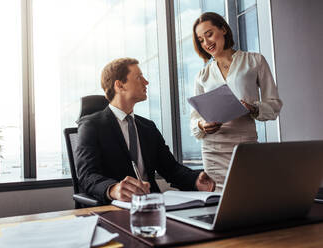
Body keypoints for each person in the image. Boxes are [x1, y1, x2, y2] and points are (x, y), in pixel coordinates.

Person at [75, 58, 216, 204]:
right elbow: (87, 175)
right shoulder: (91, 126)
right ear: (120, 85)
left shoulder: (147, 127)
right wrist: (113, 189)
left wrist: (195, 180)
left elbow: (171, 169)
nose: (146, 82)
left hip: (152, 205)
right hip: (115, 208)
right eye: (139, 77)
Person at [190, 12, 283, 192]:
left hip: (245, 145)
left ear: (223, 29)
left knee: (250, 195)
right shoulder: (202, 75)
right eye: (201, 39)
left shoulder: (254, 61)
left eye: (209, 34)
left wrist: (253, 108)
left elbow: (274, 104)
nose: (206, 42)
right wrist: (202, 125)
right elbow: (195, 118)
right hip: (213, 149)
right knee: (217, 202)